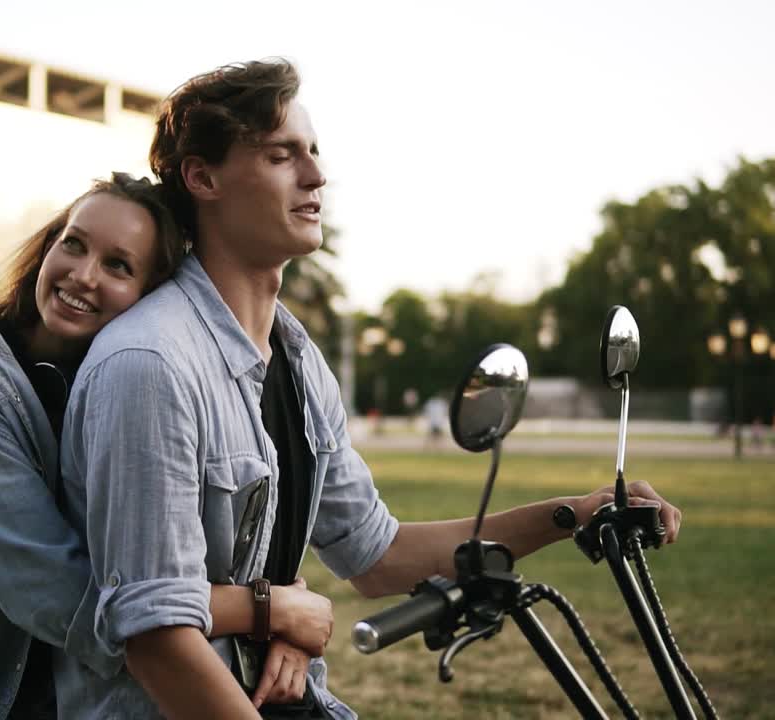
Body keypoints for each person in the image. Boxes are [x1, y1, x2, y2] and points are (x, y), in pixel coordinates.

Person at [57, 60, 683, 719]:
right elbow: (157, 637)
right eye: (280, 155)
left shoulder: (299, 363)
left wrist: (573, 513)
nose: (316, 175)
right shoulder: (151, 364)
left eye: (313, 151)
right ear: (202, 177)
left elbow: (376, 554)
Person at [0, 174, 333, 719]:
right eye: (73, 244)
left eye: (118, 266)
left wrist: (286, 620)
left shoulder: (127, 388)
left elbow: (193, 564)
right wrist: (269, 611)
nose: (82, 275)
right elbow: (76, 605)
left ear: (155, 296)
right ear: (47, 247)